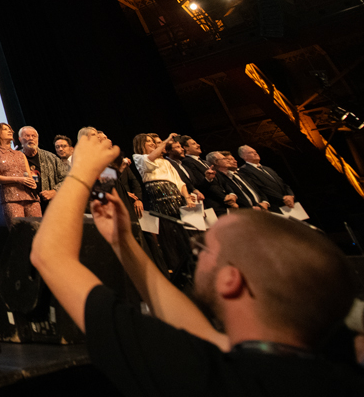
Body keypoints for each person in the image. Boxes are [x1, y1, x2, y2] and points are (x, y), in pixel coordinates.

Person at [29, 132, 363, 397]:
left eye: (206, 247)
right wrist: (124, 243)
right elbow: (198, 333)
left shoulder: (201, 377)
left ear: (231, 280)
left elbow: (50, 256)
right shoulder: (317, 373)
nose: (197, 247)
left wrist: (81, 173)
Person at [131, 132, 196, 217]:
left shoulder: (165, 162)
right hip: (158, 197)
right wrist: (167, 141)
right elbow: (149, 159)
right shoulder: (138, 157)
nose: (152, 143)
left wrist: (188, 199)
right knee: (168, 222)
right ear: (140, 144)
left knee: (180, 221)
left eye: (153, 141)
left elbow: (179, 182)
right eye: (148, 141)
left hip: (174, 194)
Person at [0, 122, 40, 224]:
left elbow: (29, 175)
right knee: (19, 233)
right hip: (11, 198)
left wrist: (33, 182)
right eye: (6, 129)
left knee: (37, 232)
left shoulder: (20, 154)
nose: (10, 131)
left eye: (10, 129)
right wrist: (18, 179)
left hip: (31, 197)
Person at [18, 125, 68, 211]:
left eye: (34, 136)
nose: (31, 138)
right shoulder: (16, 158)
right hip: (24, 205)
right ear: (20, 139)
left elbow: (66, 179)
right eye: (27, 136)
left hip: (50, 206)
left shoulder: (52, 158)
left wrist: (54, 191)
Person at [237, 146, 295, 214]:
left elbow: (283, 184)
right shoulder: (244, 170)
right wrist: (283, 199)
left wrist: (291, 195)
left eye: (255, 152)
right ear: (244, 156)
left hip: (289, 203)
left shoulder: (268, 168)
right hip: (273, 206)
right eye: (251, 152)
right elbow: (261, 188)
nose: (255, 154)